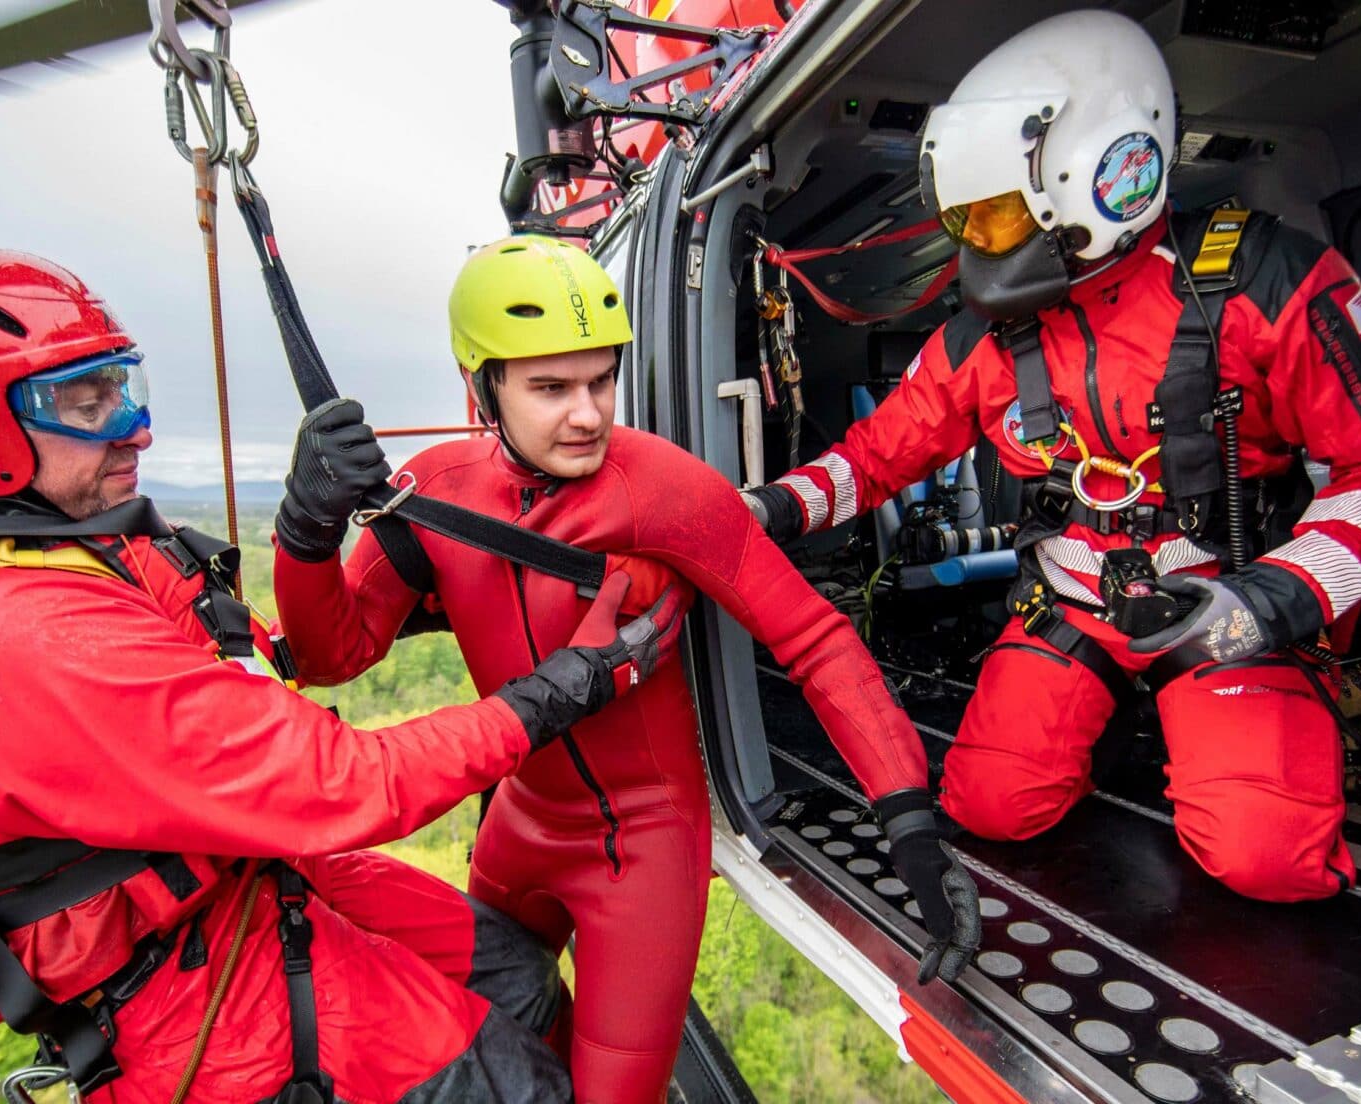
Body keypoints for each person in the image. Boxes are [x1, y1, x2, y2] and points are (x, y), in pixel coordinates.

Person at [0, 249, 687, 1103]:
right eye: (83, 403)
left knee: (513, 978)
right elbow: (346, 784)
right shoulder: (15, 633)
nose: (132, 426)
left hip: (240, 883)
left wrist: (309, 531)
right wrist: (563, 688)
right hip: (196, 992)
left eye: (122, 384)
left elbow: (270, 666)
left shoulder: (65, 549)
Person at [742, 9, 1361, 902]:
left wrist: (1279, 599)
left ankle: (1207, 722)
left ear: (1100, 176)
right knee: (988, 808)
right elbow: (874, 459)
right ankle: (1116, 726)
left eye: (1000, 217)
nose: (982, 245)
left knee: (1270, 864)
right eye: (969, 219)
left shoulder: (1265, 281)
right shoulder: (982, 341)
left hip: (1225, 607)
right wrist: (769, 510)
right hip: (1072, 605)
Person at [272, 235, 980, 1103]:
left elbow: (817, 639)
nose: (588, 415)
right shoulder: (435, 490)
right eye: (550, 388)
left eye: (601, 381)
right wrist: (304, 534)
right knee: (506, 1040)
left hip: (640, 852)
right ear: (480, 387)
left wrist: (908, 819)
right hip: (517, 825)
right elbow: (330, 654)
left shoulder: (666, 489)